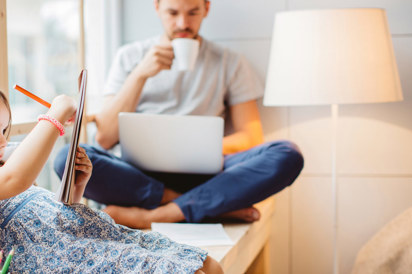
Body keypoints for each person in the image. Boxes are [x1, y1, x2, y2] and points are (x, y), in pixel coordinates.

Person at [0, 78, 223, 273]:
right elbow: (13, 180)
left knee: (210, 265)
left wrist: (76, 189)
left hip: (91, 237)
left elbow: (52, 214)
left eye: (5, 130)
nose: (2, 140)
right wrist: (53, 115)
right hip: (64, 259)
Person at [54, 0, 304, 229]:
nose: (183, 23)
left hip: (207, 174)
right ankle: (198, 206)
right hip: (139, 175)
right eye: (173, 13)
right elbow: (105, 138)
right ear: (157, 8)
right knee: (67, 158)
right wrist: (140, 74)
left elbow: (250, 137)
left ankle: (156, 215)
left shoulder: (230, 61)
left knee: (287, 154)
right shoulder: (130, 57)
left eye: (193, 12)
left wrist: (198, 149)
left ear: (206, 8)